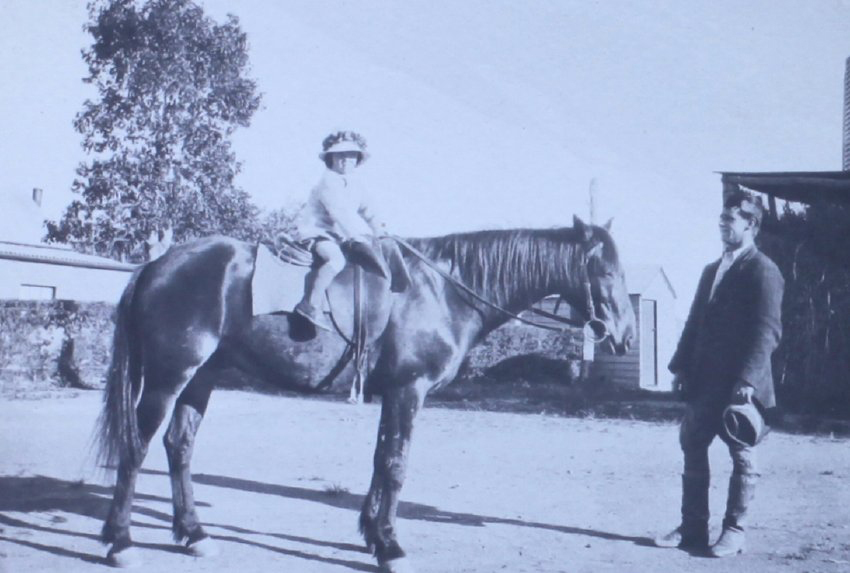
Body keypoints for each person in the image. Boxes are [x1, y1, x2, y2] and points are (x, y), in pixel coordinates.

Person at [654, 190, 784, 557]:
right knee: (693, 447)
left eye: (731, 219)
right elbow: (695, 321)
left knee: (742, 455)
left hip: (741, 387)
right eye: (721, 219)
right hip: (704, 382)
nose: (723, 225)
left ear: (751, 224)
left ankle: (734, 531)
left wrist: (746, 381)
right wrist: (680, 366)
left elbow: (767, 330)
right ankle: (693, 528)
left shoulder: (764, 270)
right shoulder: (713, 269)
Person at [293, 130, 386, 329]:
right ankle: (310, 304)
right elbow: (339, 213)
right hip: (317, 233)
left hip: (338, 236)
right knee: (336, 260)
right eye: (340, 155)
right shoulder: (328, 181)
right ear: (331, 159)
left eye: (350, 155)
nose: (345, 160)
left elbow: (370, 211)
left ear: (357, 159)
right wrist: (361, 236)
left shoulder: (357, 185)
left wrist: (381, 232)